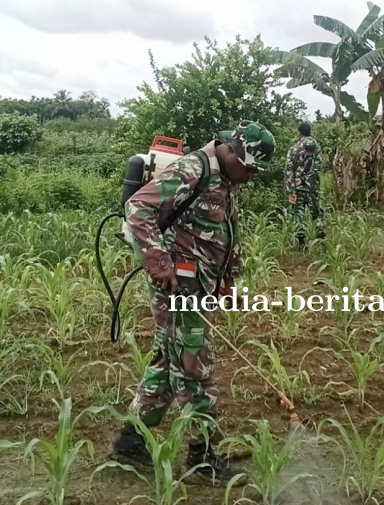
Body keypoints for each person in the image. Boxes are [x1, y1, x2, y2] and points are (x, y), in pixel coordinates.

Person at [112, 120, 276, 486]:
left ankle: (131, 439)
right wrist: (157, 260)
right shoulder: (192, 169)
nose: (250, 175)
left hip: (199, 286)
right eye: (248, 167)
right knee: (195, 368)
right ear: (232, 150)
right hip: (177, 288)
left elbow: (227, 231)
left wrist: (229, 279)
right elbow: (138, 208)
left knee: (168, 360)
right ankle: (202, 459)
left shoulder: (227, 180)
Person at [285, 121, 324, 248]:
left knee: (299, 214)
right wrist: (306, 179)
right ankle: (320, 240)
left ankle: (301, 243)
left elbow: (289, 170)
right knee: (316, 212)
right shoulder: (317, 148)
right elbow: (317, 167)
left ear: (299, 133)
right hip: (313, 186)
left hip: (298, 187)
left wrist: (290, 189)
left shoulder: (293, 149)